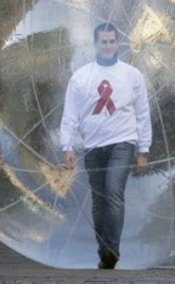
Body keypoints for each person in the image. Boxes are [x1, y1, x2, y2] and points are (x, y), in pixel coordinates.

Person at [60, 22, 152, 269]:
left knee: (113, 192)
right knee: (99, 199)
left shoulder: (132, 75)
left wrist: (143, 150)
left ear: (118, 43)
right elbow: (70, 114)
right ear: (95, 44)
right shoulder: (81, 76)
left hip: (122, 143)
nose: (109, 46)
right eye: (104, 41)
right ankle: (104, 252)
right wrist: (66, 146)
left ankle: (112, 248)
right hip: (92, 146)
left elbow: (143, 113)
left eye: (113, 41)